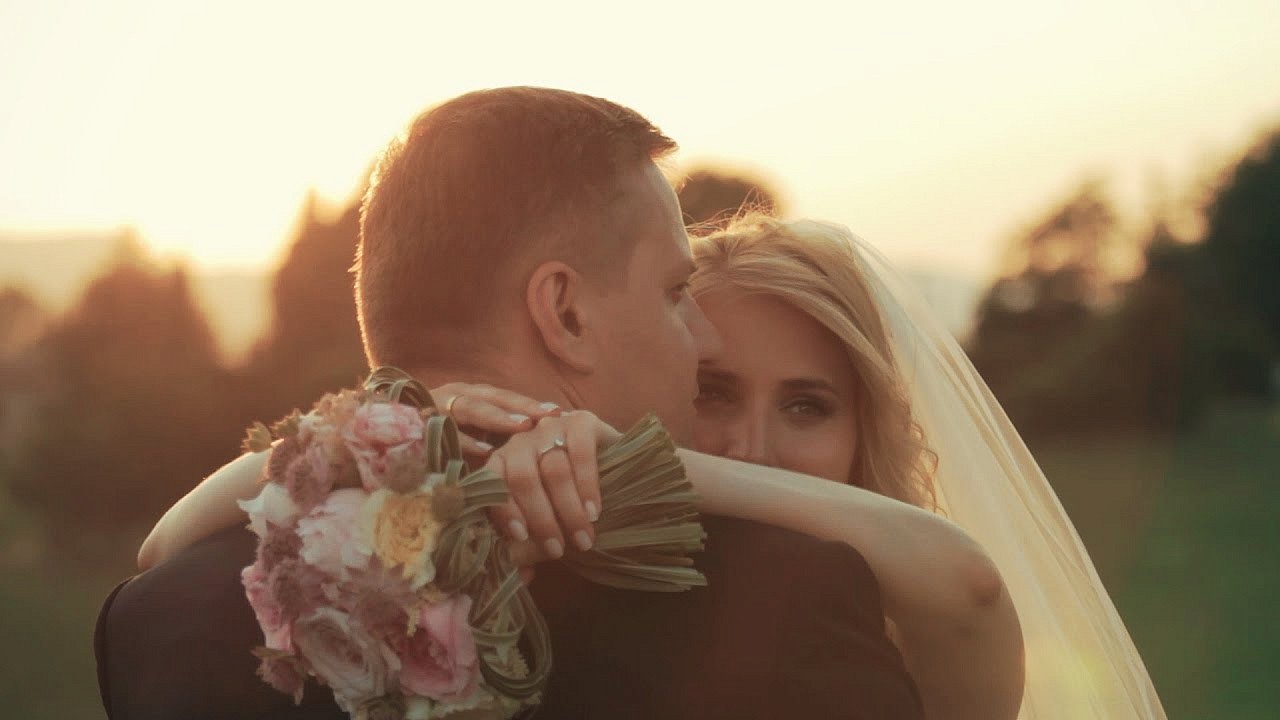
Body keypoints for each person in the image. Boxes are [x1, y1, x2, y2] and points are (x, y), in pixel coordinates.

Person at [95, 87, 924, 720]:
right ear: (563, 312)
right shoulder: (782, 603)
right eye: (676, 293)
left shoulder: (158, 614)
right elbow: (971, 591)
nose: (703, 338)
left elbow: (160, 551)